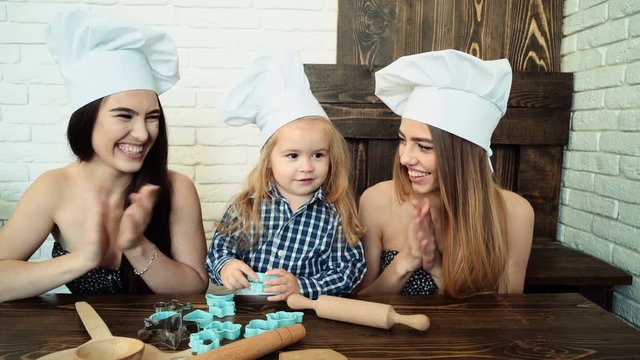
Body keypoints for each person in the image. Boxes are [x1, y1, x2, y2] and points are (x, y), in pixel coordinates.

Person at [0, 9, 209, 302]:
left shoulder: (177, 188)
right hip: (84, 344)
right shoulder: (53, 187)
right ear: (87, 118)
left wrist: (136, 246)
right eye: (124, 116)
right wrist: (83, 259)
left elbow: (194, 287)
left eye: (152, 117)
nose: (142, 133)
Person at [357, 49, 534, 297]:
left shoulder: (515, 213)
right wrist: (405, 262)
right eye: (402, 140)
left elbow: (505, 315)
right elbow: (360, 304)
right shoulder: (375, 200)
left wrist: (438, 270)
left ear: (462, 156)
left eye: (424, 146)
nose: (405, 158)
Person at [206, 50, 366, 301]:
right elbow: (218, 251)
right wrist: (225, 266)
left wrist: (301, 285)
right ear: (268, 161)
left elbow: (348, 272)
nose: (307, 167)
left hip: (308, 316)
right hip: (248, 315)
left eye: (318, 155)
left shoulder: (334, 215)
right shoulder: (247, 206)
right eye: (293, 156)